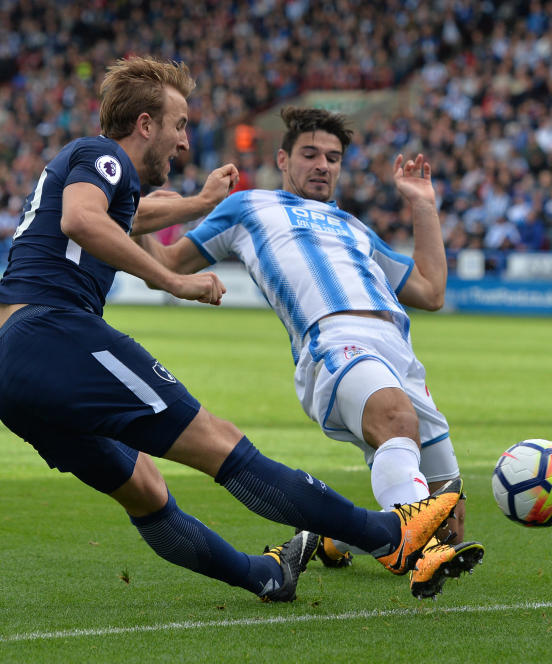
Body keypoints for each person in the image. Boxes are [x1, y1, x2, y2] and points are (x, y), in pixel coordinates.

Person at [0, 57, 462, 604]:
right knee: (219, 442)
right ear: (144, 125)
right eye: (179, 125)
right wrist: (171, 282)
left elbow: (130, 214)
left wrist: (202, 202)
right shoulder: (102, 154)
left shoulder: (101, 177)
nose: (184, 142)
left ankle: (264, 577)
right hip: (53, 332)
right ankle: (390, 537)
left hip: (10, 369)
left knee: (146, 490)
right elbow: (82, 220)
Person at [141, 107, 484, 599]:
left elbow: (430, 291)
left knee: (448, 514)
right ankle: (418, 555)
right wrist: (141, 217)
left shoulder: (353, 227)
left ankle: (328, 536)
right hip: (333, 341)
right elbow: (171, 262)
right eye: (310, 154)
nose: (322, 165)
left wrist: (423, 204)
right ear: (283, 159)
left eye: (333, 157)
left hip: (399, 350)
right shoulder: (249, 207)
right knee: (396, 421)